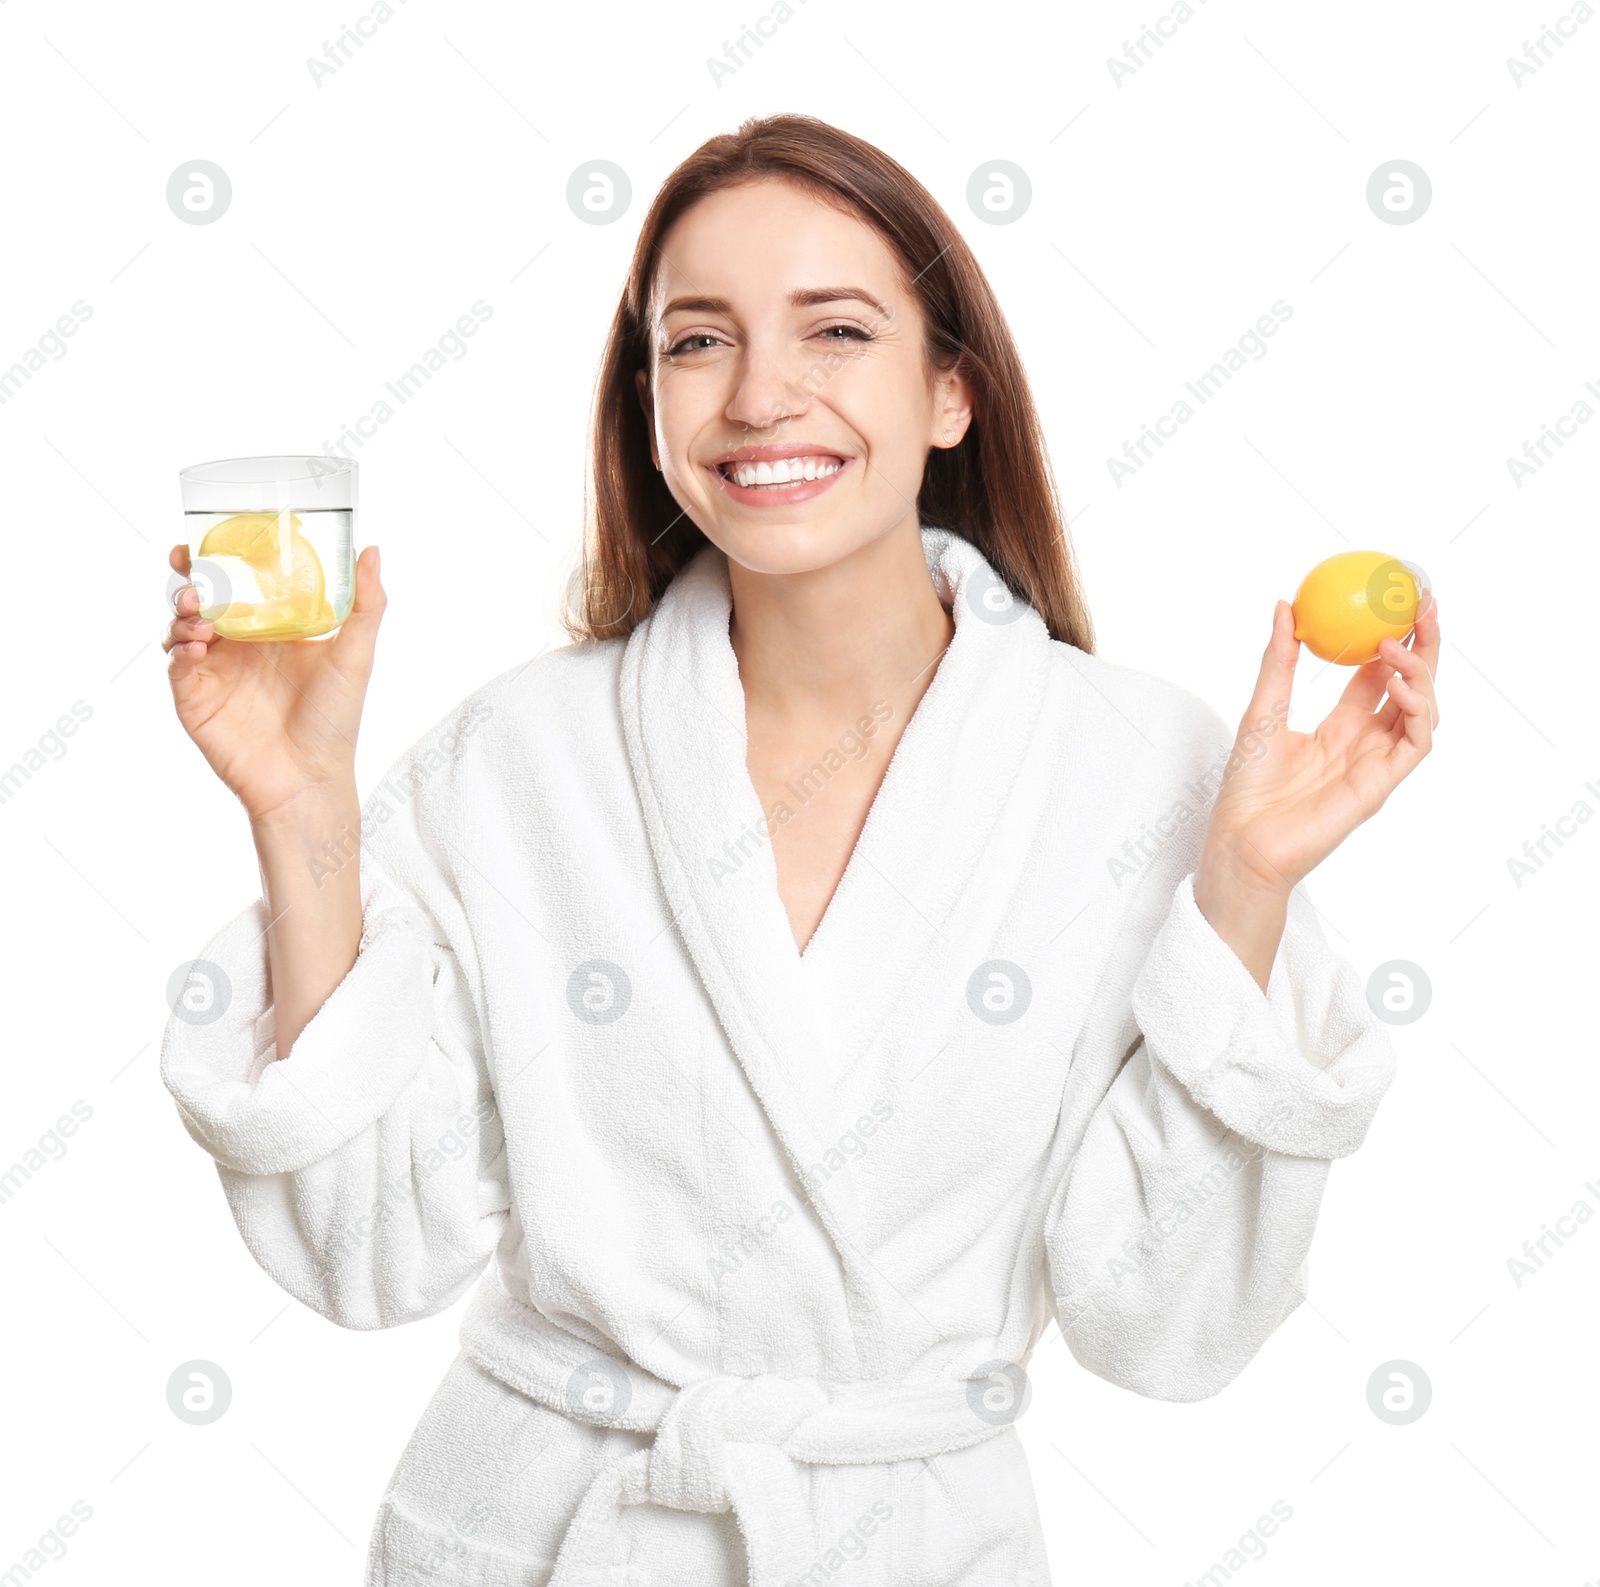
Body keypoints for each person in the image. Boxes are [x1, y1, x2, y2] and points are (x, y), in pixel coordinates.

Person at [159, 113, 1440, 1586]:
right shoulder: (521, 759)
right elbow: (362, 1250)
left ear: (951, 392)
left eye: (835, 330)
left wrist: (1249, 897)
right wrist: (304, 809)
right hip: (544, 1538)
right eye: (697, 343)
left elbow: (1169, 1328)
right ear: (645, 401)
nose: (762, 396)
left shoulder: (1145, 774)